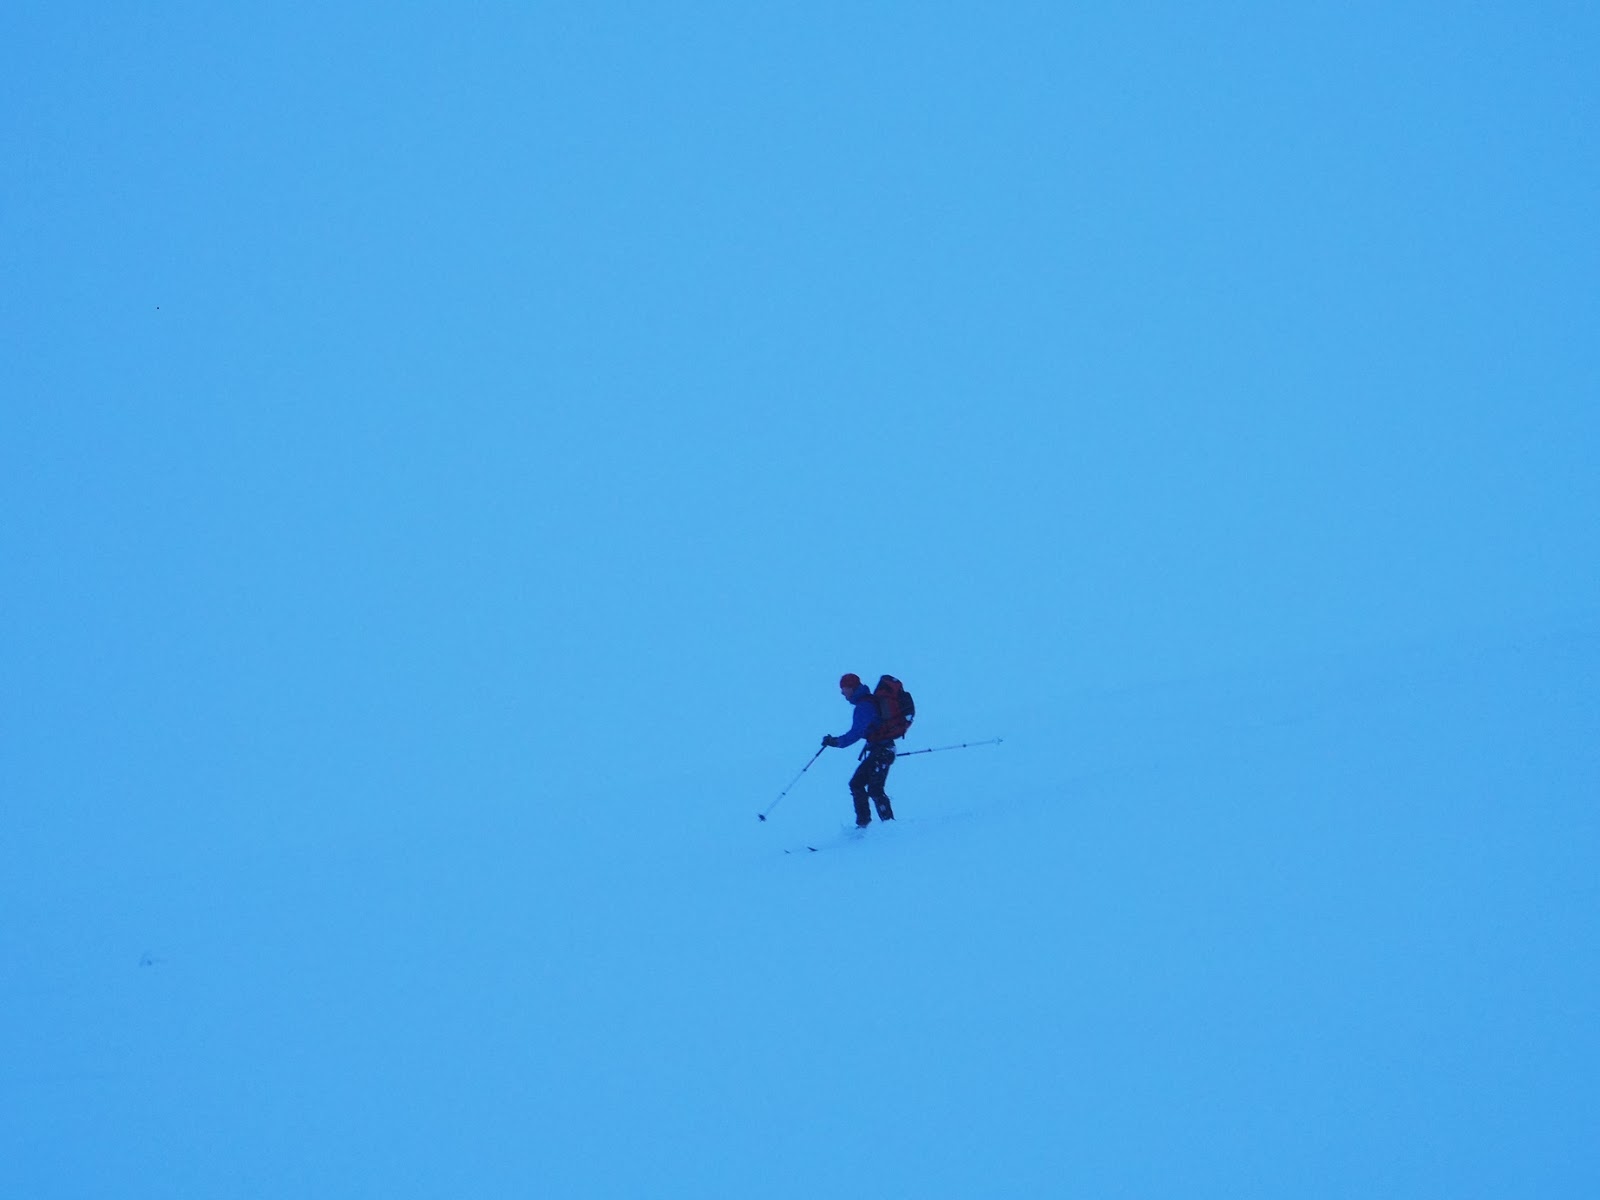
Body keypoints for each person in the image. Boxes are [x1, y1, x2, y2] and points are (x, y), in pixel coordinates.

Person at [822, 673, 896, 827]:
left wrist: (836, 742)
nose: (842, 693)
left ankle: (879, 825)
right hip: (883, 749)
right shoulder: (867, 702)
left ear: (851, 687)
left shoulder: (864, 706)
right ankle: (873, 824)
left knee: (867, 787)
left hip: (882, 750)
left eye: (843, 689)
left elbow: (856, 733)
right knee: (863, 785)